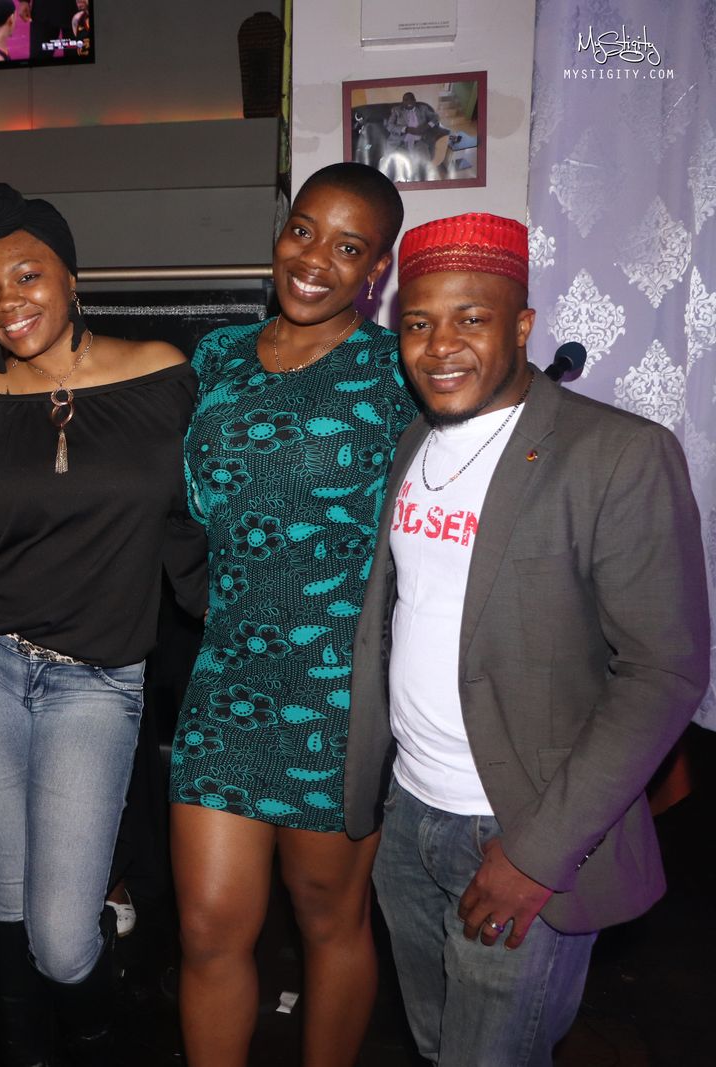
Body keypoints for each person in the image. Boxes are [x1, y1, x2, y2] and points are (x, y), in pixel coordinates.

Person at [344, 212, 709, 1066]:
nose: (440, 346)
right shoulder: (415, 442)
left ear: (522, 325)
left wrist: (539, 854)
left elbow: (663, 671)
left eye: (470, 318)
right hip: (410, 814)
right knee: (438, 1046)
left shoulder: (618, 453)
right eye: (418, 323)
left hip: (520, 830)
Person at [0, 182, 204, 1065]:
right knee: (8, 901)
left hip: (96, 679)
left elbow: (193, 519)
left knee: (60, 934)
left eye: (27, 275)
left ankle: (105, 1039)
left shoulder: (160, 373)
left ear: (73, 278)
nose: (7, 300)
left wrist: (233, 620)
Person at [169, 161, 414, 1067]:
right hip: (226, 676)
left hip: (337, 693)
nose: (314, 259)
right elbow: (183, 507)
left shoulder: (398, 371)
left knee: (329, 921)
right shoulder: (217, 356)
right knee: (206, 928)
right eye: (303, 230)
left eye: (348, 247)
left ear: (376, 270)